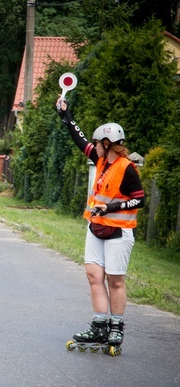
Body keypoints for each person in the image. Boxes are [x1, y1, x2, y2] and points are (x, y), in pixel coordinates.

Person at [56, 96, 145, 351]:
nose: (93, 147)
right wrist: (66, 116)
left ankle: (116, 327)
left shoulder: (127, 168)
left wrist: (113, 206)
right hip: (95, 227)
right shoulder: (101, 160)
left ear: (107, 144)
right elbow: (79, 141)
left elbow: (139, 201)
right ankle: (99, 325)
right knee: (94, 276)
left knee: (115, 280)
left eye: (97, 143)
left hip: (119, 231)